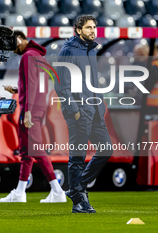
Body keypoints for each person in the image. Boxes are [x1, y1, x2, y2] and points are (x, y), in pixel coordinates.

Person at [54, 15, 113, 213]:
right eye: (88, 28)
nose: (92, 30)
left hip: (95, 110)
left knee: (106, 149)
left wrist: (100, 106)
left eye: (94, 27)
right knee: (77, 157)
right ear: (78, 30)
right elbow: (61, 84)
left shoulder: (90, 50)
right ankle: (79, 200)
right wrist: (74, 110)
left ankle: (77, 188)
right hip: (79, 112)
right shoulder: (68, 51)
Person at [1, 30, 67, 203]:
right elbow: (38, 84)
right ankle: (20, 192)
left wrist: (28, 110)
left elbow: (31, 83)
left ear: (20, 38)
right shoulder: (38, 56)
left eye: (12, 44)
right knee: (27, 151)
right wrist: (18, 90)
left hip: (30, 109)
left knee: (35, 149)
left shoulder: (28, 56)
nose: (13, 49)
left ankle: (57, 190)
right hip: (38, 106)